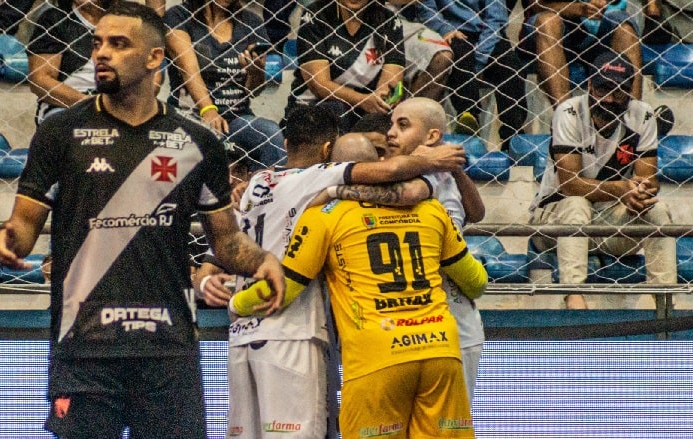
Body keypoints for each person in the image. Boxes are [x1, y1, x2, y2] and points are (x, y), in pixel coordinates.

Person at [0, 3, 285, 438]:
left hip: (169, 349)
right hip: (84, 345)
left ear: (154, 59)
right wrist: (8, 242)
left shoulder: (197, 143)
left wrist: (263, 260)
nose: (101, 54)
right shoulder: (59, 132)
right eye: (96, 44)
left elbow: (227, 244)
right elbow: (23, 226)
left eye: (118, 44)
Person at [197, 106, 467, 438]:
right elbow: (395, 175)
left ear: (285, 143)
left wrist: (206, 280)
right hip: (292, 330)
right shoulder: (320, 180)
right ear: (328, 152)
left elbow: (221, 249)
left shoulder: (256, 183)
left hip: (242, 337)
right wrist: (433, 162)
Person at [230, 184, 488, 439]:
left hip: (376, 358)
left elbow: (285, 287)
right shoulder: (431, 208)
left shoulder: (327, 214)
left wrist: (237, 304)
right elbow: (477, 282)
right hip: (440, 350)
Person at [529, 51, 676, 310]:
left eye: (619, 92)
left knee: (659, 209)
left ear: (630, 91)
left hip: (609, 225)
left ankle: (664, 300)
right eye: (603, 89)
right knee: (576, 203)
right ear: (589, 86)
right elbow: (570, 184)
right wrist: (622, 189)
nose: (609, 98)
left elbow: (648, 178)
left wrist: (641, 192)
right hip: (554, 222)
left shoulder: (642, 115)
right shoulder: (570, 112)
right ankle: (574, 298)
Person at [383, 97, 486, 402]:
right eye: (392, 124)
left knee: (452, 422)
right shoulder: (391, 171)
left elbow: (477, 213)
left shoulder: (443, 175)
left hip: (454, 319)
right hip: (403, 320)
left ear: (432, 136)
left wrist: (454, 169)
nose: (391, 133)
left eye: (402, 125)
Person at [27, 0, 205, 125]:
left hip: (125, 99)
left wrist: (123, 103)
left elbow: (154, 75)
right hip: (69, 104)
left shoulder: (128, 21)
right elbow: (40, 80)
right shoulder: (54, 19)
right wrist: (91, 103)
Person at [164, 0, 285, 172]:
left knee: (270, 133)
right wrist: (208, 110)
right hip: (189, 115)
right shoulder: (178, 16)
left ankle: (263, 193)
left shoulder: (250, 21)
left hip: (237, 117)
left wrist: (255, 72)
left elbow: (254, 91)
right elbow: (188, 69)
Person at [405, 0, 529, 149]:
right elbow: (426, 11)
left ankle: (513, 135)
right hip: (449, 32)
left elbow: (497, 18)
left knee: (511, 66)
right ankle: (468, 118)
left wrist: (479, 58)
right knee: (459, 53)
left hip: (487, 32)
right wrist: (445, 30)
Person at [287, 0, 405, 133]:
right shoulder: (316, 14)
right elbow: (319, 84)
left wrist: (382, 101)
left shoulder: (390, 21)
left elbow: (394, 84)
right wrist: (362, 100)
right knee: (335, 109)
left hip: (368, 110)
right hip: (316, 106)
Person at [518, 0, 656, 106]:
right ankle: (566, 117)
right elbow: (537, 5)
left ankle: (634, 118)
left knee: (625, 30)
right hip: (556, 30)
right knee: (547, 22)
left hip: (599, 31)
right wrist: (579, 8)